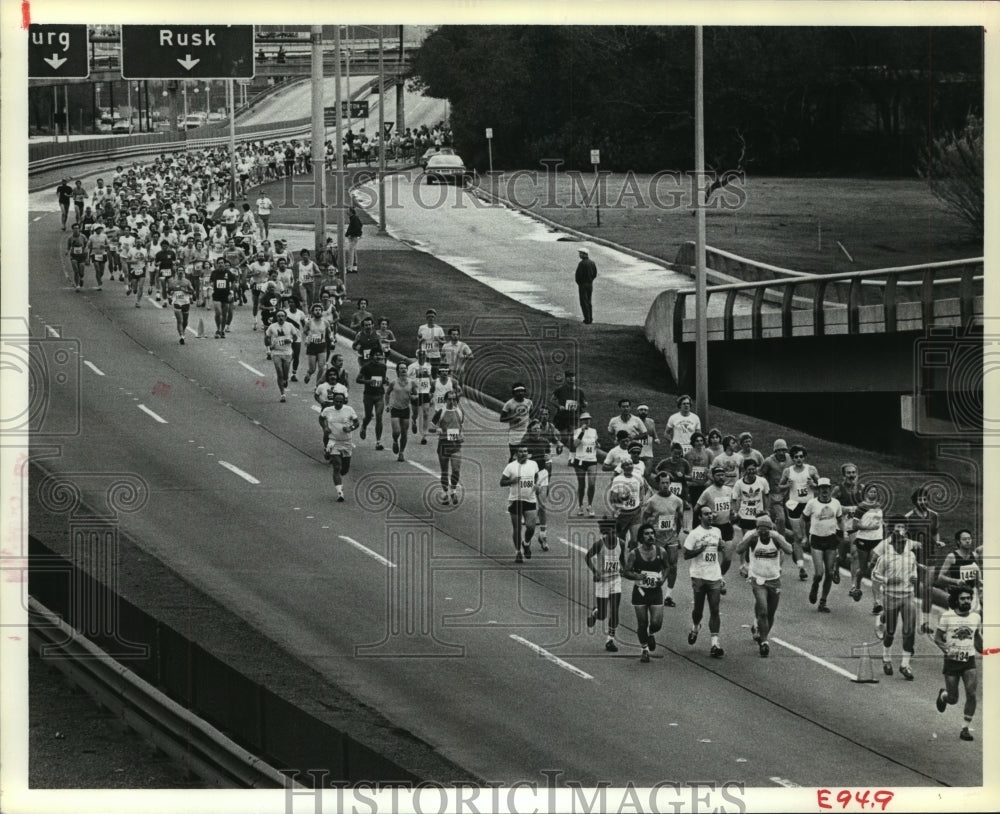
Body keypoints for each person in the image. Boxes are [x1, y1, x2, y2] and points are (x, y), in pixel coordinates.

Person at [734, 516, 793, 658]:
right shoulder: (752, 536)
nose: (764, 534)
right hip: (757, 578)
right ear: (757, 529)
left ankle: (762, 632)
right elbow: (739, 549)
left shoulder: (775, 537)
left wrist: (777, 538)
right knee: (763, 611)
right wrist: (750, 538)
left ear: (770, 529)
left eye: (766, 531)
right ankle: (764, 642)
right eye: (761, 530)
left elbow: (789, 550)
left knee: (771, 613)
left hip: (773, 579)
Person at [933, 585, 983, 742]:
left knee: (972, 693)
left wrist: (986, 650)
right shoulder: (947, 616)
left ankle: (965, 728)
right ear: (956, 600)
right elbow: (937, 638)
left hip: (969, 660)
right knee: (953, 698)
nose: (966, 601)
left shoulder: (976, 617)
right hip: (952, 662)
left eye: (969, 598)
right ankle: (944, 695)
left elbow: (976, 638)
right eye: (963, 598)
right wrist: (945, 649)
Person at [871, 520, 918, 679]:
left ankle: (905, 665)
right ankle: (886, 658)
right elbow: (874, 574)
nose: (903, 543)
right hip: (891, 596)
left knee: (909, 631)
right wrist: (887, 580)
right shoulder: (886, 557)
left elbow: (914, 570)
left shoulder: (911, 555)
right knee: (890, 631)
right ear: (893, 541)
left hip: (908, 596)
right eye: (900, 541)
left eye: (905, 541)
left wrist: (914, 578)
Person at [684, 505, 725, 658]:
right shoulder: (695, 534)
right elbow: (686, 555)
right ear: (700, 517)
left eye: (711, 514)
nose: (710, 516)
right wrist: (699, 550)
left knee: (715, 608)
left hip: (714, 574)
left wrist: (721, 547)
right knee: (698, 610)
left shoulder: (717, 531)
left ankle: (715, 643)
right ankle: (695, 627)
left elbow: (718, 550)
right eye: (706, 514)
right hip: (699, 575)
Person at [639, 471, 685, 607]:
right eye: (663, 483)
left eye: (667, 483)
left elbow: (680, 518)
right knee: (655, 566)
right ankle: (650, 590)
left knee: (673, 566)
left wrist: (677, 534)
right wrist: (645, 536)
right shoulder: (652, 501)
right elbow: (644, 518)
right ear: (658, 484)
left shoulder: (677, 500)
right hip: (657, 539)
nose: (665, 485)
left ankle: (668, 595)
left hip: (671, 538)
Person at [623, 524, 668, 662]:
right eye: (647, 534)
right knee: (642, 623)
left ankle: (651, 632)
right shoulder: (634, 554)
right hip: (640, 592)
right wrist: (636, 576)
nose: (651, 536)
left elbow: (667, 568)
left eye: (652, 533)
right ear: (641, 537)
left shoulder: (661, 552)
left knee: (656, 623)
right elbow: (626, 572)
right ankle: (644, 649)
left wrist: (663, 579)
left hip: (655, 592)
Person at [904, 485, 945, 634]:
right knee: (913, 588)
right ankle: (910, 618)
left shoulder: (934, 515)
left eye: (925, 498)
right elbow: (902, 539)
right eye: (920, 499)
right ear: (915, 501)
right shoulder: (908, 517)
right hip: (914, 557)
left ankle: (925, 622)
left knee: (927, 589)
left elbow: (935, 532)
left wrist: (937, 542)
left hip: (930, 555)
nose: (923, 501)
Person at [802, 477, 844, 613]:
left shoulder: (836, 503)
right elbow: (804, 519)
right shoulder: (812, 503)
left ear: (830, 489)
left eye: (827, 488)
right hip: (816, 540)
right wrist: (804, 536)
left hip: (831, 540)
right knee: (819, 573)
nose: (824, 490)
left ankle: (823, 601)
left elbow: (840, 519)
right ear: (818, 489)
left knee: (830, 573)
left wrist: (843, 534)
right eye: (822, 488)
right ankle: (815, 586)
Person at [777, 444, 819, 581]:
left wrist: (814, 485)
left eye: (801, 456)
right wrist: (786, 486)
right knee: (798, 537)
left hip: (809, 505)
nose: (799, 459)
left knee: (810, 537)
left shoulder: (811, 470)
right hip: (794, 505)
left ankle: (813, 562)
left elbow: (822, 486)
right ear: (793, 458)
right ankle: (801, 567)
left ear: (804, 457)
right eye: (796, 457)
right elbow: (779, 487)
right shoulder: (788, 471)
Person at [585, 525, 627, 652]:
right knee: (602, 615)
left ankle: (610, 639)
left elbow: (621, 559)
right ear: (605, 534)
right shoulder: (599, 544)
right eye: (610, 533)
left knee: (614, 610)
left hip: (615, 580)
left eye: (615, 532)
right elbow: (587, 557)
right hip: (602, 581)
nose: (613, 535)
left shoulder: (622, 543)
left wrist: (625, 568)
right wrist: (595, 571)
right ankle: (595, 612)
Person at [694, 465, 735, 579]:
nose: (721, 477)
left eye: (723, 475)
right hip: (712, 529)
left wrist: (732, 513)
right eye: (718, 475)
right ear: (713, 477)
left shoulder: (729, 490)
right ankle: (711, 580)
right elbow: (696, 508)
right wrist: (708, 515)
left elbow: (730, 507)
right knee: (712, 559)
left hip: (726, 527)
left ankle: (719, 577)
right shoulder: (708, 492)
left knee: (727, 559)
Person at [500, 445, 540, 563]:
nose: (524, 453)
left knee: (531, 527)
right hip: (515, 500)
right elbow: (502, 482)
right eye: (521, 452)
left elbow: (536, 476)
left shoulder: (533, 464)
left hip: (530, 499)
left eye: (526, 451)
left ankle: (526, 543)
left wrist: (536, 485)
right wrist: (512, 481)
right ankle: (518, 552)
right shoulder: (510, 467)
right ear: (516, 454)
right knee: (517, 528)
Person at [849, 482, 884, 607]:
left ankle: (876, 602)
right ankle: (857, 586)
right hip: (864, 539)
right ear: (866, 493)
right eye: (871, 492)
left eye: (875, 492)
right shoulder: (861, 507)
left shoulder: (879, 505)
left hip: (877, 540)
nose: (873, 494)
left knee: (875, 569)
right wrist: (869, 527)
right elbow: (855, 525)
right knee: (863, 569)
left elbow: (879, 521)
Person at [321, 391, 360, 502]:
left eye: (340, 401)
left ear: (344, 401)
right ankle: (340, 493)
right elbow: (322, 418)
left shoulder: (349, 410)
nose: (338, 403)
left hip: (347, 442)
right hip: (333, 441)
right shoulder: (328, 410)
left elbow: (357, 423)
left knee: (344, 470)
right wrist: (325, 428)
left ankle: (328, 453)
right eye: (336, 401)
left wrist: (350, 428)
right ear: (333, 401)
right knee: (337, 467)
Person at [431, 390, 465, 504]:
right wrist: (437, 429)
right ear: (445, 400)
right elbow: (430, 427)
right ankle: (445, 492)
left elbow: (461, 427)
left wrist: (462, 435)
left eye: (454, 399)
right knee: (444, 471)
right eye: (449, 399)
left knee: (456, 470)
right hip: (443, 446)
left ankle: (453, 491)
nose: (452, 401)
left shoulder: (460, 412)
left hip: (456, 446)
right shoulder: (441, 411)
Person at [936, 530, 983, 613]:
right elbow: (940, 577)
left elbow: (977, 572)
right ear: (958, 541)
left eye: (969, 538)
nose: (968, 541)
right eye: (964, 539)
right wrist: (956, 581)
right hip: (957, 593)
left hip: (972, 593)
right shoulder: (952, 557)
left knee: (974, 618)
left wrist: (979, 585)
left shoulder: (974, 556)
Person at [608, 459, 647, 550]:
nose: (629, 466)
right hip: (622, 513)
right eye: (626, 465)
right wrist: (619, 504)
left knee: (634, 540)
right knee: (621, 541)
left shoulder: (638, 477)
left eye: (630, 464)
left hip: (635, 512)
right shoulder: (618, 479)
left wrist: (641, 499)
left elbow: (642, 488)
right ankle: (622, 560)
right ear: (622, 468)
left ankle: (632, 559)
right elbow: (612, 497)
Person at [264, 309, 299, 402]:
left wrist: (290, 340)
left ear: (285, 317)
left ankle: (286, 379)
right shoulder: (272, 326)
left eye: (282, 316)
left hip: (287, 352)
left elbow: (295, 337)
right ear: (276, 317)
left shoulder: (290, 325)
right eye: (278, 316)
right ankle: (282, 394)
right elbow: (266, 338)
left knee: (285, 373)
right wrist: (269, 344)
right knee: (279, 371)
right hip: (276, 352)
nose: (280, 318)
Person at [356, 349, 388, 450]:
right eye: (376, 355)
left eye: (380, 355)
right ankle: (364, 426)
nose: (378, 357)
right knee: (368, 416)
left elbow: (383, 379)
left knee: (379, 416)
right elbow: (358, 379)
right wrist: (368, 381)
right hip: (368, 395)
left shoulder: (383, 367)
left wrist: (385, 381)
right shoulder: (366, 367)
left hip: (379, 395)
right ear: (371, 356)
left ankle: (378, 442)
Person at [385, 362, 418, 461]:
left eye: (405, 368)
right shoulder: (393, 382)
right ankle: (395, 441)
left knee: (404, 433)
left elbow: (416, 395)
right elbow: (387, 393)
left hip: (405, 409)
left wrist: (414, 397)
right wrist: (387, 405)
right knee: (396, 431)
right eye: (401, 368)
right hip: (395, 409)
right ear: (397, 370)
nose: (403, 370)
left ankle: (401, 452)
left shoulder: (412, 382)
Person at [570, 412, 599, 516]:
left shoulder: (594, 431)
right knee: (582, 484)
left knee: (591, 484)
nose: (587, 421)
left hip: (592, 460)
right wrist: (581, 433)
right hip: (580, 460)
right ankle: (580, 505)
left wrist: (597, 445)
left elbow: (595, 443)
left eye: (588, 419)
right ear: (581, 421)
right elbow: (575, 444)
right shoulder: (577, 431)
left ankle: (590, 505)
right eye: (584, 419)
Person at [550, 370, 587, 450]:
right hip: (562, 417)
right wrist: (559, 406)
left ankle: (572, 457)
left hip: (574, 417)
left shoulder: (580, 391)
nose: (571, 378)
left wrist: (584, 404)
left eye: (572, 376)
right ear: (566, 378)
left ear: (575, 377)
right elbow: (552, 400)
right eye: (569, 377)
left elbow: (583, 403)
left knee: (573, 437)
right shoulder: (560, 390)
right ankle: (559, 453)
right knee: (564, 438)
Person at [407, 349, 435, 444]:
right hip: (416, 392)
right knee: (415, 413)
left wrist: (432, 390)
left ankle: (424, 435)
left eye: (423, 356)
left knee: (426, 413)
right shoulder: (412, 366)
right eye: (420, 356)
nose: (422, 358)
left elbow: (430, 378)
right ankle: (414, 420)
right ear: (417, 357)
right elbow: (407, 379)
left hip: (425, 391)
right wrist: (411, 391)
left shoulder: (428, 366)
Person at [500, 383, 533, 461]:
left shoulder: (529, 402)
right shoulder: (509, 404)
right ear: (514, 393)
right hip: (514, 433)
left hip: (525, 432)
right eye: (518, 391)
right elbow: (502, 419)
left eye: (522, 391)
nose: (520, 393)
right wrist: (512, 418)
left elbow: (531, 414)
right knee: (514, 455)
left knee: (526, 455)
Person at [303, 303, 333, 384]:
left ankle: (317, 384)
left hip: (322, 346)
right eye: (316, 310)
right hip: (312, 346)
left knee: (322, 368)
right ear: (312, 312)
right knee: (312, 369)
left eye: (319, 310)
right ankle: (309, 373)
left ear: (322, 311)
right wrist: (308, 337)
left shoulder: (325, 322)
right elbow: (305, 330)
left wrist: (331, 339)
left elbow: (330, 332)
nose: (318, 312)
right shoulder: (309, 322)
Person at [209, 258, 237, 338]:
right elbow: (211, 282)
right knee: (218, 313)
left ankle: (222, 330)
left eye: (222, 263)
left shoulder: (228, 273)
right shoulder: (214, 273)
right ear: (217, 264)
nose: (220, 264)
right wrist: (211, 286)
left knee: (224, 314)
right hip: (217, 295)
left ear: (224, 264)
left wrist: (231, 292)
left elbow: (234, 282)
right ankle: (218, 329)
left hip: (226, 295)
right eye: (219, 263)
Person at [167, 268, 195, 344]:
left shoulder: (187, 282)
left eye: (181, 270)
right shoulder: (173, 282)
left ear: (183, 272)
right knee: (180, 321)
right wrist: (169, 298)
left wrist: (186, 291)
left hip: (186, 302)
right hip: (177, 302)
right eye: (179, 270)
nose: (180, 272)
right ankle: (182, 336)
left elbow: (192, 291)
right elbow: (169, 291)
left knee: (185, 321)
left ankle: (183, 331)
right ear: (177, 272)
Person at [417, 309, 446, 376]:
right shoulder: (421, 328)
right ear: (426, 318)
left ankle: (433, 385)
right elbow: (418, 338)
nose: (431, 318)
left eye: (432, 317)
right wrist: (420, 341)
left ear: (435, 318)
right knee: (424, 373)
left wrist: (438, 340)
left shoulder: (439, 329)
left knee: (434, 372)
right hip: (424, 354)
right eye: (429, 316)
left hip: (435, 354)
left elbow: (444, 341)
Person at [574, 247, 597, 323]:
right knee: (589, 301)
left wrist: (579, 283)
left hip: (583, 284)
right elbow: (594, 274)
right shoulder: (592, 262)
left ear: (584, 254)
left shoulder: (581, 263)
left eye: (581, 253)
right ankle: (590, 318)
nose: (579, 255)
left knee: (583, 302)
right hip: (590, 284)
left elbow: (578, 276)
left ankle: (587, 319)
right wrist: (590, 280)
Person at [66, 223, 89, 291]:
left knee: (81, 271)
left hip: (82, 256)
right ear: (72, 230)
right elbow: (68, 247)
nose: (76, 230)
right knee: (76, 271)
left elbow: (86, 245)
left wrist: (86, 252)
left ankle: (81, 278)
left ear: (79, 229)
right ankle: (77, 285)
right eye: (74, 228)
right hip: (74, 256)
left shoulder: (83, 237)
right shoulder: (70, 238)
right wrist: (67, 251)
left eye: (77, 228)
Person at [88, 225, 109, 290]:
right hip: (94, 254)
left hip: (102, 254)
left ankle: (99, 278)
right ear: (95, 230)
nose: (99, 230)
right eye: (98, 229)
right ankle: (99, 283)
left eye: (100, 229)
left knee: (101, 271)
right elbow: (89, 247)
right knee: (97, 269)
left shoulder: (104, 236)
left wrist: (104, 246)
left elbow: (108, 245)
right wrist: (88, 257)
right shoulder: (91, 237)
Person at [345, 206, 363, 273]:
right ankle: (355, 267)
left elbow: (358, 227)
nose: (347, 211)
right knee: (354, 252)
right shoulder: (354, 217)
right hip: (354, 236)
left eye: (348, 210)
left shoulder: (354, 218)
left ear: (351, 211)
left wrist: (350, 233)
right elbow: (360, 225)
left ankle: (349, 268)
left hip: (353, 237)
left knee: (351, 252)